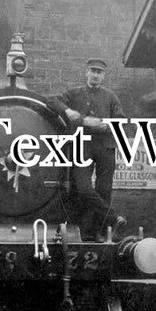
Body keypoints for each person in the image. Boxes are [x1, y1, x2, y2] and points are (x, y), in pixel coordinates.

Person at [51, 58, 125, 241]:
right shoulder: (74, 94)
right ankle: (113, 218)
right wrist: (70, 113)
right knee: (83, 188)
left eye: (99, 72)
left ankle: (96, 233)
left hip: (105, 147)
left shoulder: (110, 96)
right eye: (93, 71)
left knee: (104, 190)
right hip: (82, 145)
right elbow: (51, 101)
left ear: (103, 76)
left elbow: (121, 120)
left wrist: (105, 125)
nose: (95, 75)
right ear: (86, 73)